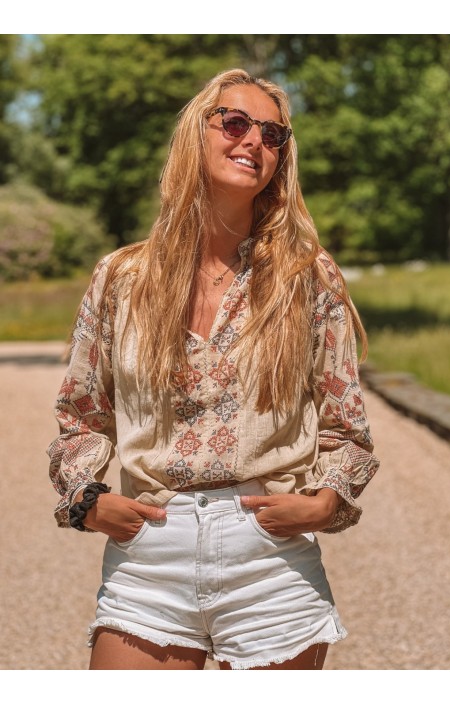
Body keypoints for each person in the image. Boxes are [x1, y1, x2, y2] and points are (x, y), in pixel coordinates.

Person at [48, 68, 379, 670]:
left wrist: (327, 501)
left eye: (273, 134)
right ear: (193, 136)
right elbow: (80, 417)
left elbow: (346, 430)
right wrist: (87, 499)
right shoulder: (122, 278)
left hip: (269, 558)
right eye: (235, 122)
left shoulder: (306, 279)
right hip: (150, 553)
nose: (254, 140)